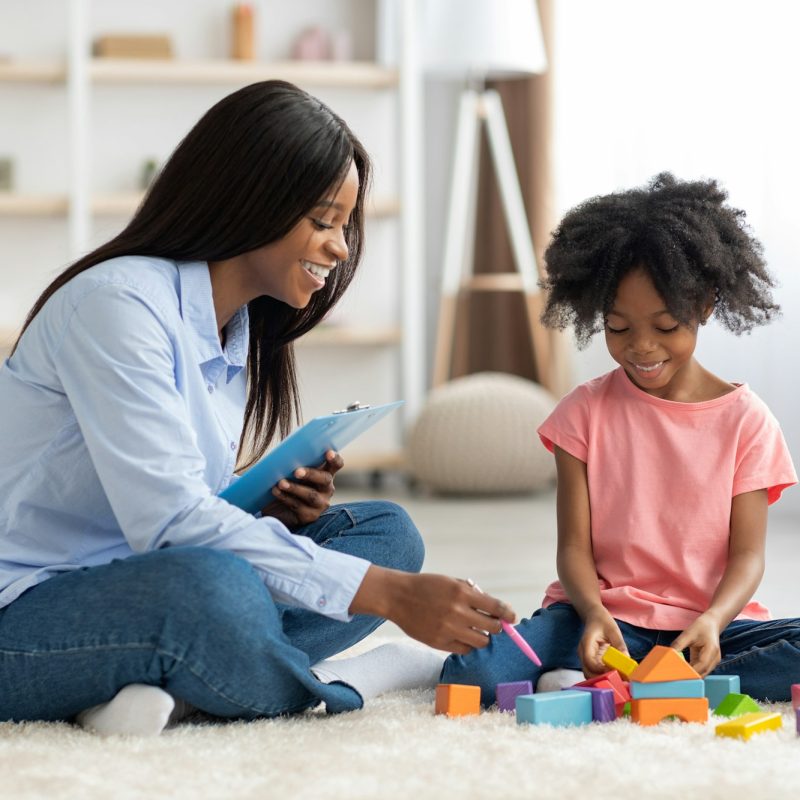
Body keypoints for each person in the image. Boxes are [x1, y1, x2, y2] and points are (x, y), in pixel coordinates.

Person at [0, 80, 514, 735]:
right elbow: (168, 523)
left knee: (387, 534)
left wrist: (266, 507)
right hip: (25, 610)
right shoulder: (116, 306)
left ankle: (169, 688)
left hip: (148, 577)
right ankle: (352, 678)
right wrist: (386, 594)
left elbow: (184, 506)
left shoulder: (236, 329)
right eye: (324, 221)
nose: (340, 248)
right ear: (251, 201)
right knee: (215, 593)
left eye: (344, 226)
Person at [440, 172, 799, 706]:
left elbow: (748, 556)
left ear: (704, 304)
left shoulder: (747, 420)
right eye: (618, 327)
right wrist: (594, 614)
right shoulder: (582, 413)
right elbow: (573, 548)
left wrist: (713, 620)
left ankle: (643, 683)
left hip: (708, 628)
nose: (643, 348)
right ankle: (644, 683)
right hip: (601, 619)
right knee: (472, 675)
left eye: (666, 325)